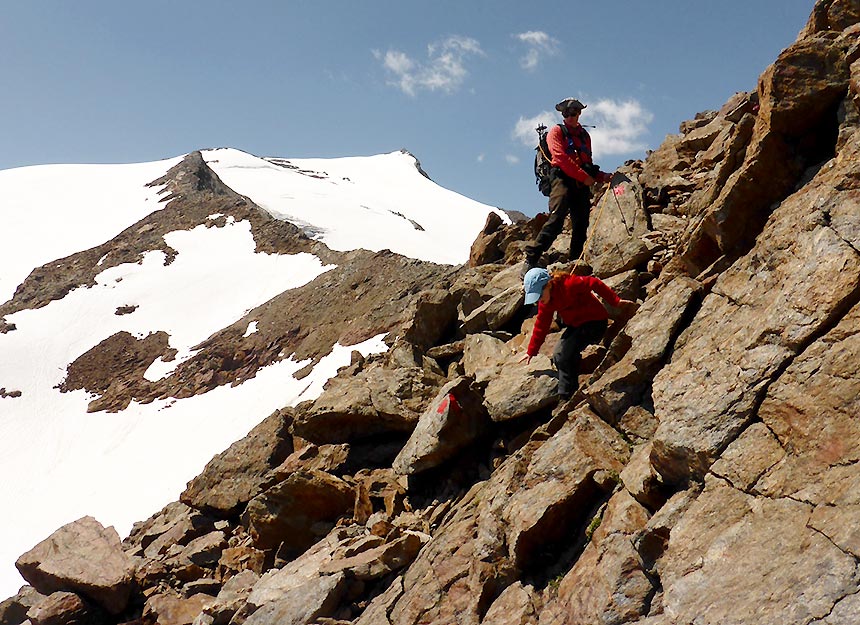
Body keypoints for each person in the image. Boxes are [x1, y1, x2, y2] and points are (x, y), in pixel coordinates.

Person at [524, 98, 613, 275]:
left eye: (574, 113)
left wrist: (603, 177)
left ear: (579, 114)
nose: (570, 117)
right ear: (562, 115)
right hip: (562, 180)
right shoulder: (556, 132)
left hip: (580, 183)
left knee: (581, 223)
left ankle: (575, 263)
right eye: (567, 114)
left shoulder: (584, 136)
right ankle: (531, 259)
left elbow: (588, 163)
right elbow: (560, 158)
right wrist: (584, 177)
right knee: (556, 220)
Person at [519, 267, 636, 400]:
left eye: (539, 295)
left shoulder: (570, 284)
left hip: (595, 323)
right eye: (535, 298)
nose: (539, 300)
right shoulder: (546, 302)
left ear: (549, 284)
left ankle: (566, 395)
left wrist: (615, 301)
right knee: (560, 355)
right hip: (576, 325)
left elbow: (594, 282)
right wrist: (531, 351)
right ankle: (571, 386)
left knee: (562, 355)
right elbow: (541, 324)